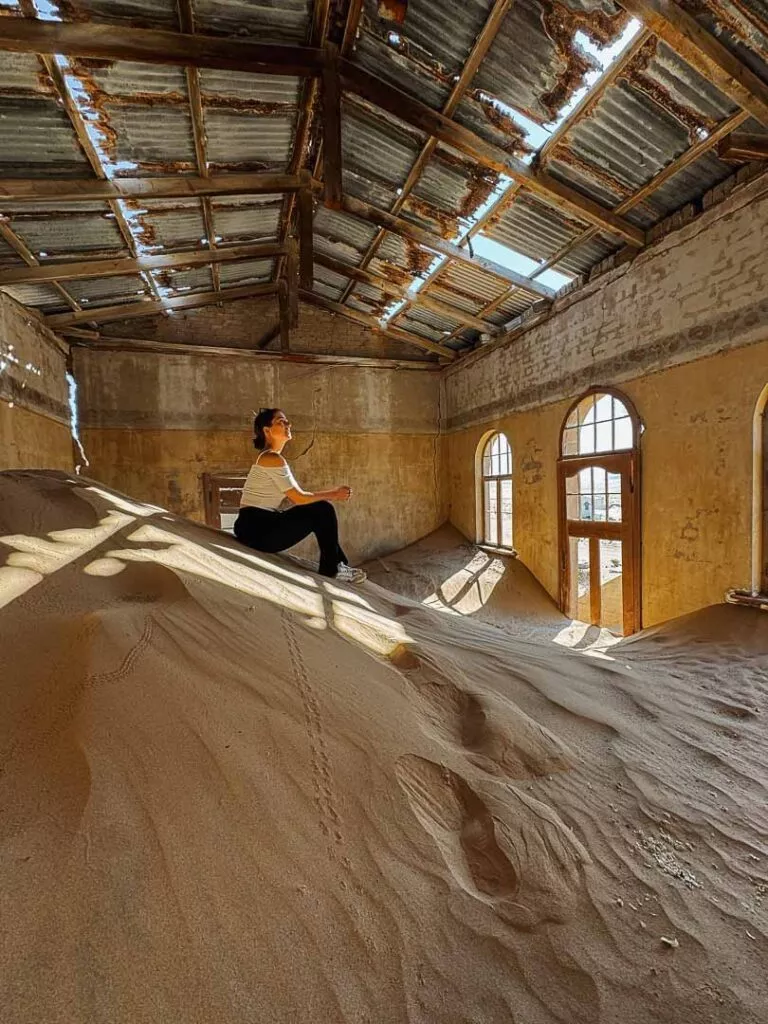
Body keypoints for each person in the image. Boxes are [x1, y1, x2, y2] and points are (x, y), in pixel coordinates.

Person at [233, 408, 367, 584]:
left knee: (319, 510)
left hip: (257, 525)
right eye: (281, 421)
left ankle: (337, 564)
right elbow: (299, 498)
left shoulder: (273, 458)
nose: (288, 424)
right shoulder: (271, 459)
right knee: (322, 509)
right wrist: (334, 494)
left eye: (287, 421)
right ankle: (333, 569)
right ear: (266, 430)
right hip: (257, 528)